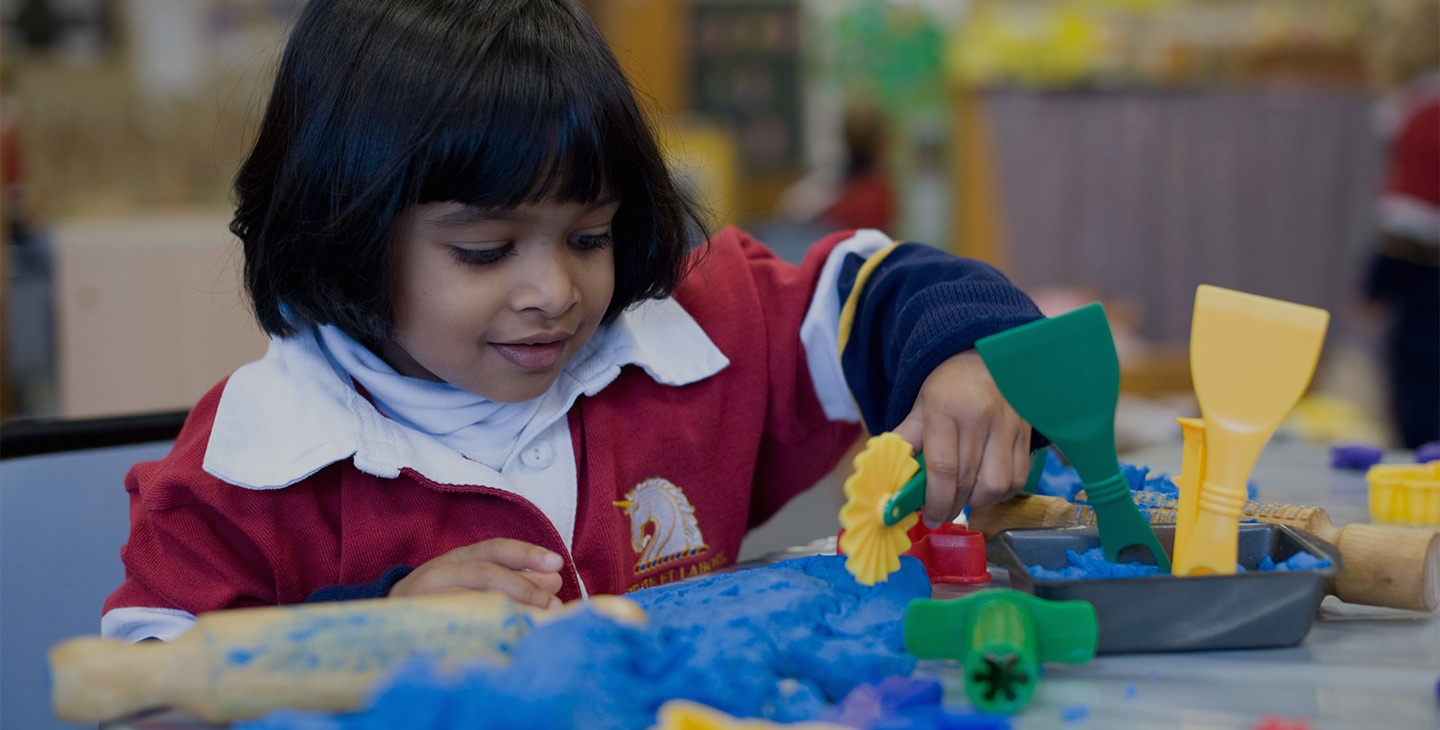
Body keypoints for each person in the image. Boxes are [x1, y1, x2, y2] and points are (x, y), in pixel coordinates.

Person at [101, 0, 1043, 643]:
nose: (554, 291)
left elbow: (867, 289)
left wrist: (962, 355)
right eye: (486, 251)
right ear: (345, 231)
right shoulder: (249, 468)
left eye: (590, 237)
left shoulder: (687, 329)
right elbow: (151, 692)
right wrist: (368, 628)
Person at [1361, 0, 1439, 450]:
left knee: (1421, 412)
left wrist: (1377, 280)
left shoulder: (1423, 112)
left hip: (1426, 284)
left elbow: (1410, 216)